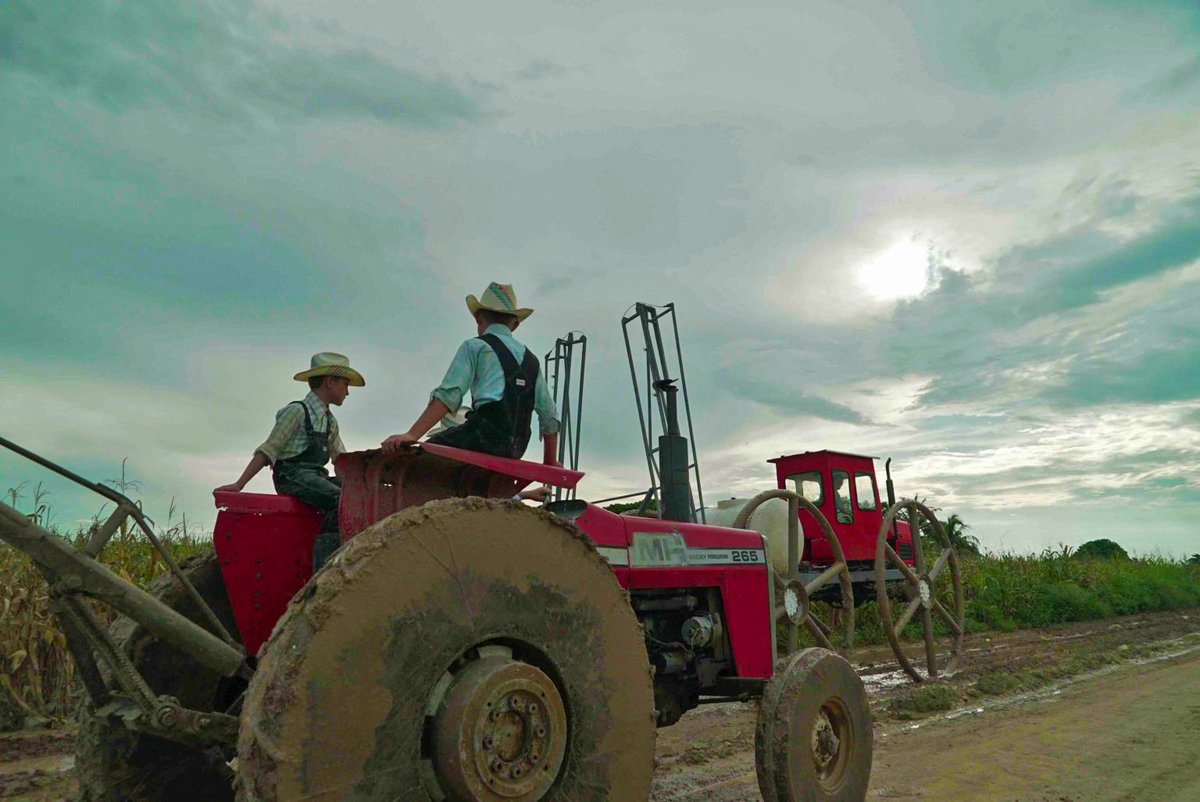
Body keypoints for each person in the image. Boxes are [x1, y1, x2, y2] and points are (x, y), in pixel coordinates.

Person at [382, 282, 560, 465]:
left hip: (482, 437)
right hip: (515, 448)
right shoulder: (532, 361)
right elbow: (549, 415)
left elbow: (448, 396)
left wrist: (412, 434)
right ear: (514, 325)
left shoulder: (475, 346)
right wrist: (550, 460)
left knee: (422, 456)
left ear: (478, 318)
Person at [215, 352, 364, 568]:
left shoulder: (330, 421)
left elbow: (341, 461)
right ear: (330, 382)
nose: (348, 392)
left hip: (314, 476)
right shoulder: (296, 412)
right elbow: (269, 450)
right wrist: (239, 484)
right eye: (345, 384)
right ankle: (325, 568)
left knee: (351, 494)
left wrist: (359, 485)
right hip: (291, 476)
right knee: (338, 498)